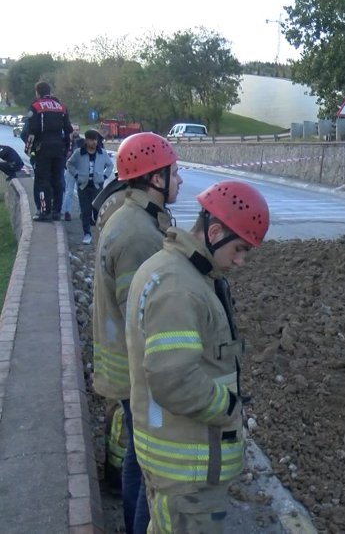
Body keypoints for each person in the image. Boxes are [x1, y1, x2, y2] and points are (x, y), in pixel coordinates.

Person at [125, 180, 270, 533]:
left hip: (184, 466)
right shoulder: (179, 287)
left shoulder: (183, 272)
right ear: (215, 231)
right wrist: (230, 407)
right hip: (187, 472)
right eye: (238, 249)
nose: (241, 261)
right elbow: (173, 381)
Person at [93, 132, 182, 534]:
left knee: (135, 456)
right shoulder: (138, 235)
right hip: (136, 373)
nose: (179, 180)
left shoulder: (135, 218)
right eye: (174, 173)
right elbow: (143, 313)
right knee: (147, 467)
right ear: (155, 179)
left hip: (127, 368)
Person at [20, 81, 73, 221]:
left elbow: (32, 131)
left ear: (37, 92)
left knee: (42, 181)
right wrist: (67, 149)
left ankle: (44, 211)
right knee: (58, 180)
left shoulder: (36, 106)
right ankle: (57, 211)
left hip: (43, 148)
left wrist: (29, 150)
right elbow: (69, 131)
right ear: (50, 91)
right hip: (59, 149)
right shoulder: (62, 107)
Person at [66, 130, 115, 244]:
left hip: (97, 185)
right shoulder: (79, 153)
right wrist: (77, 175)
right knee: (85, 210)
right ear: (86, 140)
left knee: (99, 210)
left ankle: (101, 233)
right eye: (91, 140)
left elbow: (110, 165)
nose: (94, 142)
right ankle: (87, 233)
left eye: (95, 140)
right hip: (83, 185)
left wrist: (104, 176)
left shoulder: (102, 153)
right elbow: (69, 164)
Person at [61, 125, 82, 220]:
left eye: (77, 130)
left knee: (82, 191)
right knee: (69, 191)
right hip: (69, 169)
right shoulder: (65, 141)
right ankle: (67, 212)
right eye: (74, 130)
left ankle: (83, 212)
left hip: (81, 169)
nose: (75, 132)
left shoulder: (82, 142)